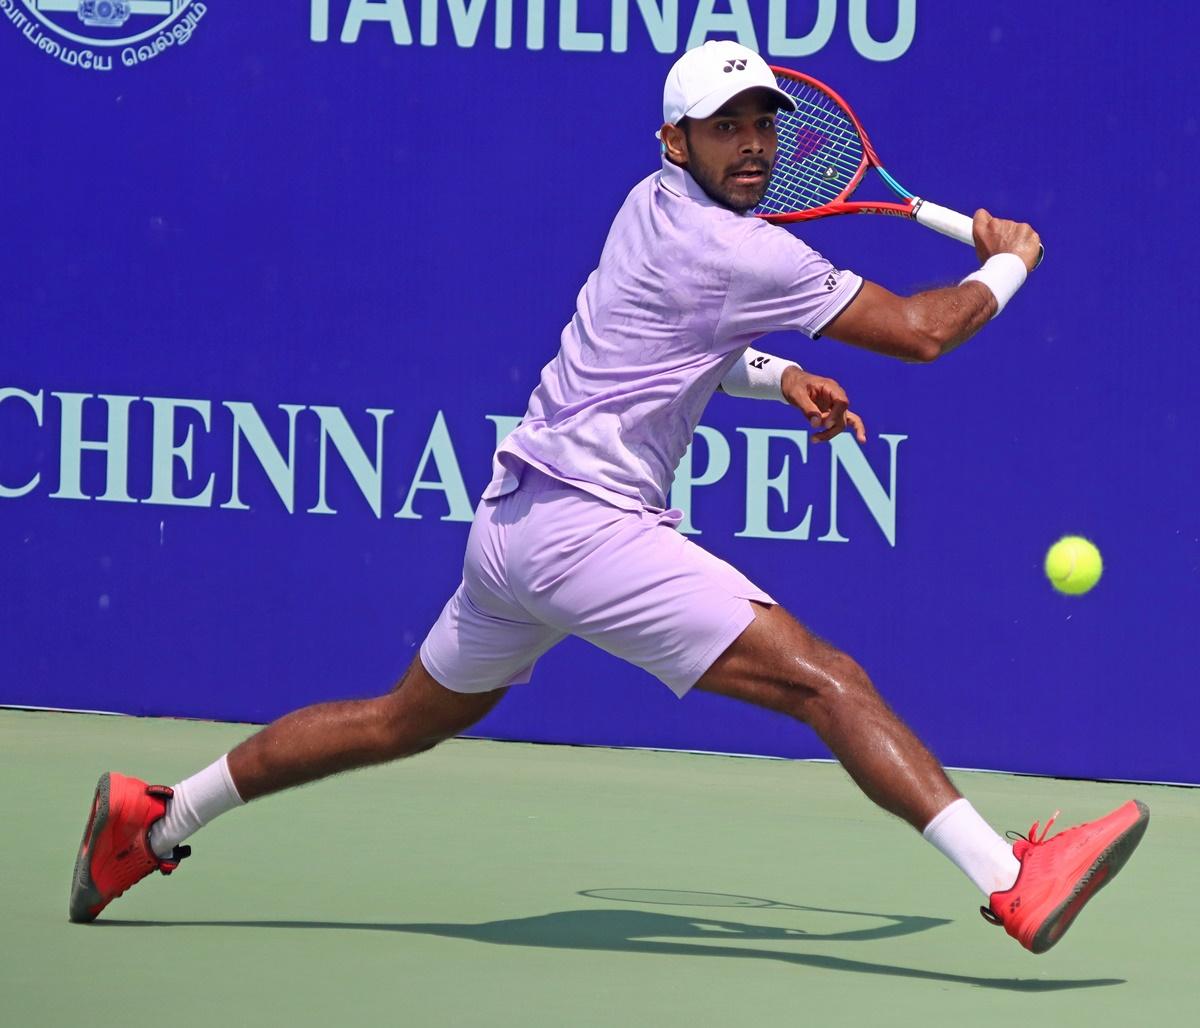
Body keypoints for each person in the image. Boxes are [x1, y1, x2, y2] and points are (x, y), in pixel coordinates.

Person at [68, 40, 1147, 954]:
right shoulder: (738, 248)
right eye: (727, 128)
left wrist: (778, 376)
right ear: (677, 141)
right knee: (828, 681)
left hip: (511, 530)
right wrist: (1009, 263)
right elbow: (922, 330)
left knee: (400, 718)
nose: (756, 146)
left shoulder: (649, 206)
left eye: (763, 125)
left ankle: (154, 820)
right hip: (588, 528)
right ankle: (1011, 875)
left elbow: (689, 344)